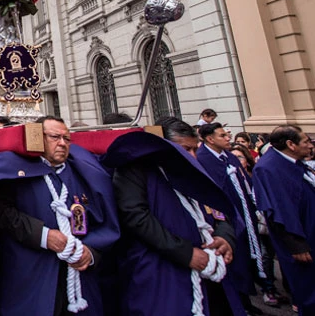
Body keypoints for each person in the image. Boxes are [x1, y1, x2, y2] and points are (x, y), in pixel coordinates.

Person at [0, 116, 120, 315]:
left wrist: (91, 252)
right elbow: (1, 212)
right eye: (55, 137)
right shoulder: (14, 174)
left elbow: (104, 221)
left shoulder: (84, 175)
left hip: (79, 279)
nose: (62, 143)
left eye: (67, 139)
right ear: (37, 138)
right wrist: (44, 236)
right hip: (32, 275)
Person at [101, 130, 245, 315]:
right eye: (186, 149)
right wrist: (186, 253)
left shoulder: (194, 172)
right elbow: (136, 217)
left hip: (211, 272)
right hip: (163, 274)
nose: (193, 156)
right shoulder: (136, 170)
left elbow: (219, 211)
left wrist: (225, 237)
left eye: (195, 149)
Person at [197, 122, 264, 314]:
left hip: (245, 217)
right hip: (226, 222)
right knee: (234, 263)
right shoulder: (203, 159)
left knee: (245, 260)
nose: (228, 138)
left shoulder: (230, 157)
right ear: (210, 139)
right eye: (222, 136)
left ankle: (247, 300)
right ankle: (240, 303)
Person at [253, 125, 315, 315]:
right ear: (291, 144)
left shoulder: (294, 162)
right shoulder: (268, 168)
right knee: (310, 290)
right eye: (305, 141)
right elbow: (278, 210)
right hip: (301, 244)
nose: (310, 145)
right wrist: (296, 244)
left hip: (310, 231)